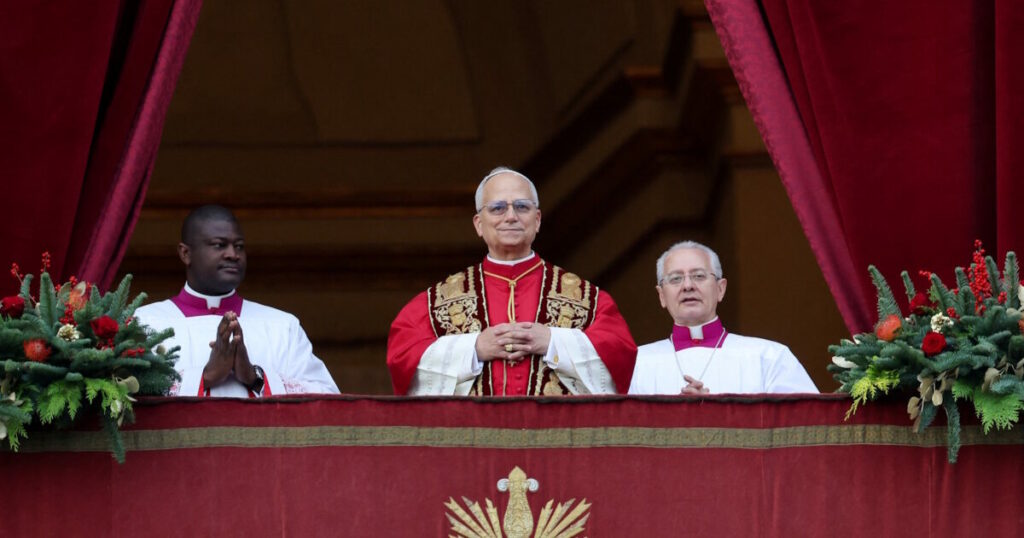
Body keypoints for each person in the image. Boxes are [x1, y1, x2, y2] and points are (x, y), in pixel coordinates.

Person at [387, 167, 637, 396]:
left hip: (555, 431)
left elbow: (620, 353)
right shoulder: (435, 302)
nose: (510, 216)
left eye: (522, 207)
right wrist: (474, 348)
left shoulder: (589, 299)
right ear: (478, 224)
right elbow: (402, 357)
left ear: (537, 220)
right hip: (472, 432)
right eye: (497, 208)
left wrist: (553, 342)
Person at [134, 205, 340, 397]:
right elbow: (124, 397)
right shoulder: (144, 323)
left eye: (239, 246)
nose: (233, 254)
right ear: (185, 253)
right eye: (219, 245)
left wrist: (254, 377)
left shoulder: (283, 326)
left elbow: (327, 399)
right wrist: (204, 378)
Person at [628, 241, 817, 395]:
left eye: (699, 276)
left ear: (720, 289)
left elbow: (806, 422)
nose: (687, 286)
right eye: (676, 278)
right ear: (661, 295)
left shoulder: (769, 357)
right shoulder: (634, 365)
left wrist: (716, 414)